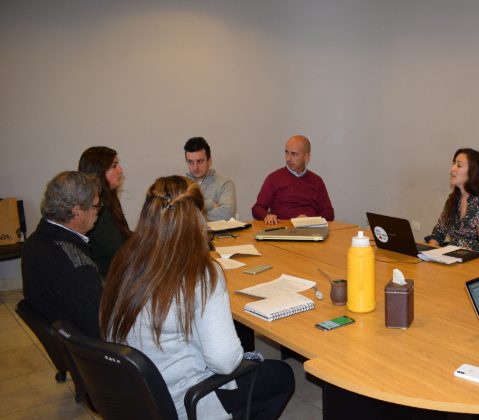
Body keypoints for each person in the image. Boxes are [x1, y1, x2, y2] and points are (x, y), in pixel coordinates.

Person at [100, 176, 294, 419]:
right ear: (197, 218)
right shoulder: (200, 273)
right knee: (281, 375)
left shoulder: (124, 261)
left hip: (135, 398)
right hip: (185, 401)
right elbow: (225, 362)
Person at [21, 171, 103, 338]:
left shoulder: (34, 241)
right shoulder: (78, 267)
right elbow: (99, 329)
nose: (97, 212)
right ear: (77, 211)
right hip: (91, 350)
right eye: (95, 206)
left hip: (67, 339)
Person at [425, 148, 479, 254]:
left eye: (459, 165)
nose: (452, 169)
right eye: (453, 164)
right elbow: (438, 233)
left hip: (477, 262)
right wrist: (433, 251)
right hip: (451, 257)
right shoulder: (453, 199)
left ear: (473, 172)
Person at [251, 135, 334, 224]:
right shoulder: (274, 178)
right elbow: (257, 208)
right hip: (282, 229)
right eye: (286, 152)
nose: (288, 159)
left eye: (294, 154)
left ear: (306, 157)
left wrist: (310, 220)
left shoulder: (317, 181)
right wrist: (266, 215)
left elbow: (329, 213)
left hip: (310, 230)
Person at [78, 146, 132, 278]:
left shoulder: (109, 198)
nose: (120, 170)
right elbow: (120, 252)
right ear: (98, 171)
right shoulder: (97, 207)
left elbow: (124, 236)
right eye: (114, 166)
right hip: (106, 277)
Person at [184, 137, 237, 221]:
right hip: (189, 234)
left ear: (209, 160)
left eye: (200, 161)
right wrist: (210, 205)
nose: (195, 167)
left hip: (219, 234)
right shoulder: (180, 184)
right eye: (190, 162)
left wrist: (190, 215)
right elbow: (175, 216)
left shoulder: (225, 183)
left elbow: (226, 214)